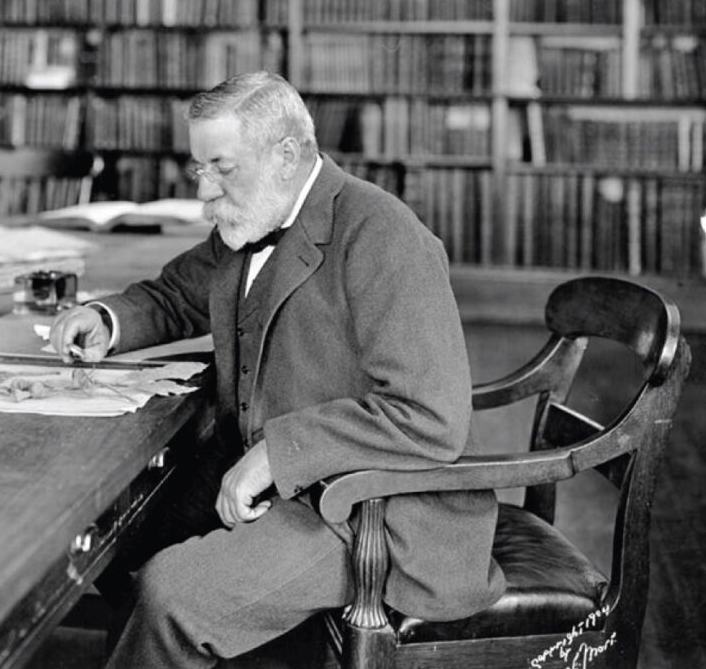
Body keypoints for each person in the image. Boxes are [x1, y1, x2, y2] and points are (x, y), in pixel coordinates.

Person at [48, 71, 505, 668]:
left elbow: (431, 416)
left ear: (286, 155)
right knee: (116, 543)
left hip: (370, 510)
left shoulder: (383, 235)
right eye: (198, 169)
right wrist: (107, 319)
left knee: (173, 594)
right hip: (284, 479)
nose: (204, 192)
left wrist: (275, 455)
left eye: (222, 167)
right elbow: (175, 296)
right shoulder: (253, 218)